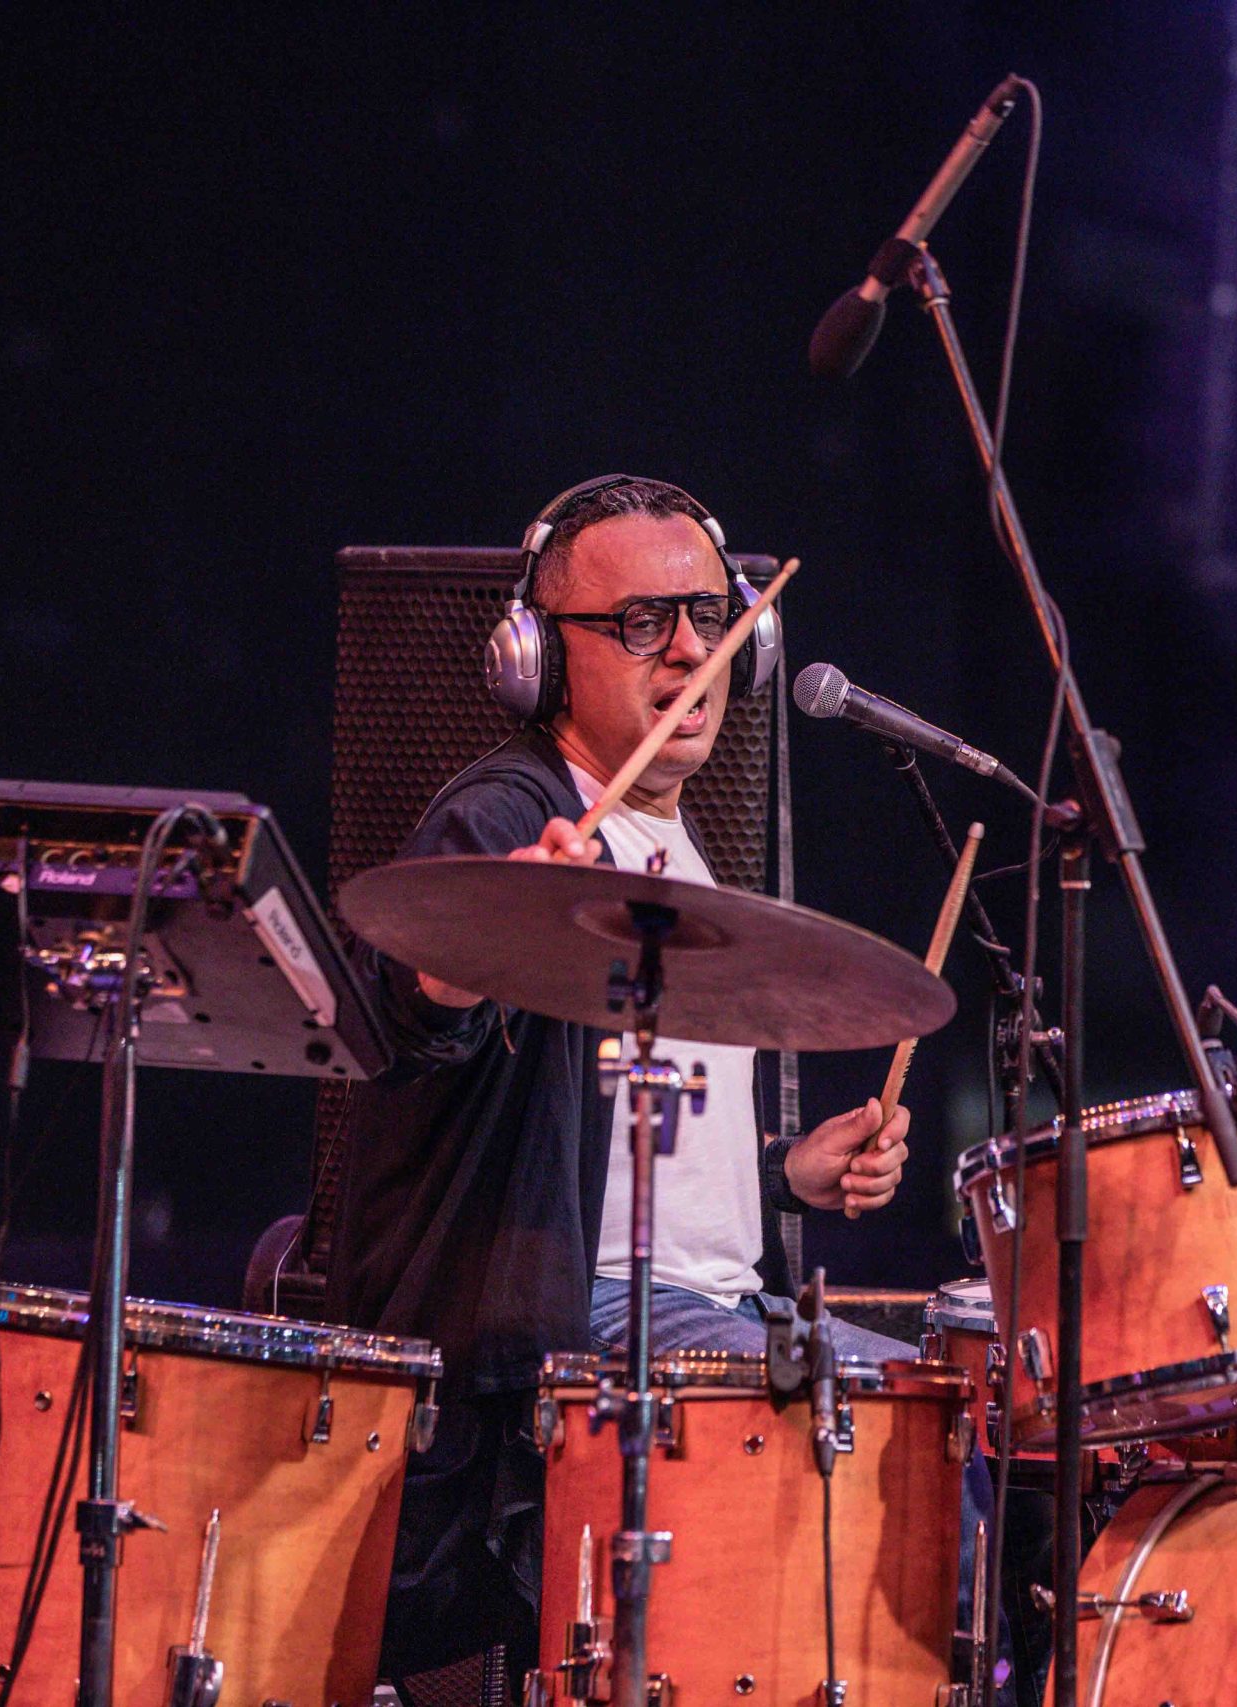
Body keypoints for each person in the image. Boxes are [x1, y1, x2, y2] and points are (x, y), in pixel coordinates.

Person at [330, 476, 921, 1684]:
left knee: (956, 1406)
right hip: (575, 1314)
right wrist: (485, 937)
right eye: (643, 623)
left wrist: (784, 1175)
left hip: (710, 1302)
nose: (690, 651)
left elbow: (613, 1132)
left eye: (708, 616)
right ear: (540, 660)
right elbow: (403, 1028)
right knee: (893, 1432)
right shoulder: (510, 814)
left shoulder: (685, 843)